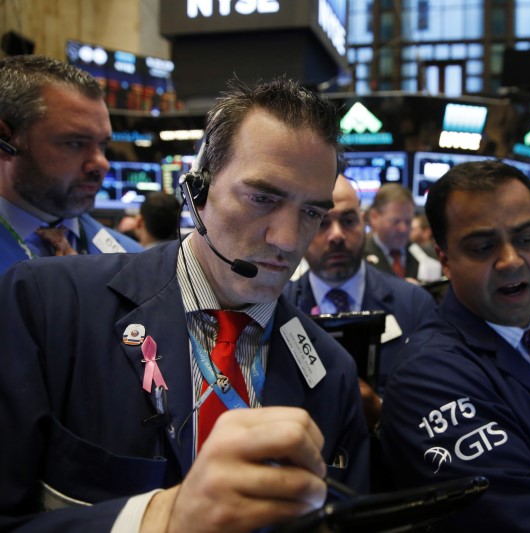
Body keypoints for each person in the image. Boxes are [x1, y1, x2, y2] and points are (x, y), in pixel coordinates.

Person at [0, 76, 370, 532]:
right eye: (262, 198)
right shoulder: (47, 305)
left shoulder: (331, 372)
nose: (288, 240)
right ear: (197, 190)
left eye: (311, 212)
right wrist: (158, 520)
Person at [379, 160, 530, 531]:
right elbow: (526, 520)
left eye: (526, 238)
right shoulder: (426, 378)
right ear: (444, 259)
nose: (510, 260)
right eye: (483, 246)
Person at [284, 174, 437, 414]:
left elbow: (435, 401)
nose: (336, 235)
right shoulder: (277, 309)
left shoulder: (415, 305)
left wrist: (380, 410)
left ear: (364, 223)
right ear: (299, 230)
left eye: (347, 221)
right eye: (322, 222)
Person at [0, 55, 142, 274]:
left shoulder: (131, 261)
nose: (101, 163)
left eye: (102, 145)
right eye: (75, 143)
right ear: (5, 140)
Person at [364, 182, 441, 283]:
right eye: (395, 222)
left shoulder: (430, 257)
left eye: (408, 221)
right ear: (374, 217)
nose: (403, 229)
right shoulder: (359, 259)